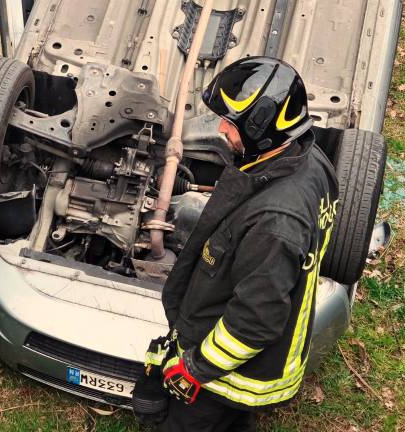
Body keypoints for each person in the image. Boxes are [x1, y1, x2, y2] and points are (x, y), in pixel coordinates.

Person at [134, 57, 340, 431]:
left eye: (233, 122)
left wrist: (194, 367)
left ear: (264, 132)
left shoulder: (275, 224)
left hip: (229, 379)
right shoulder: (309, 159)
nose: (222, 128)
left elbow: (254, 322)